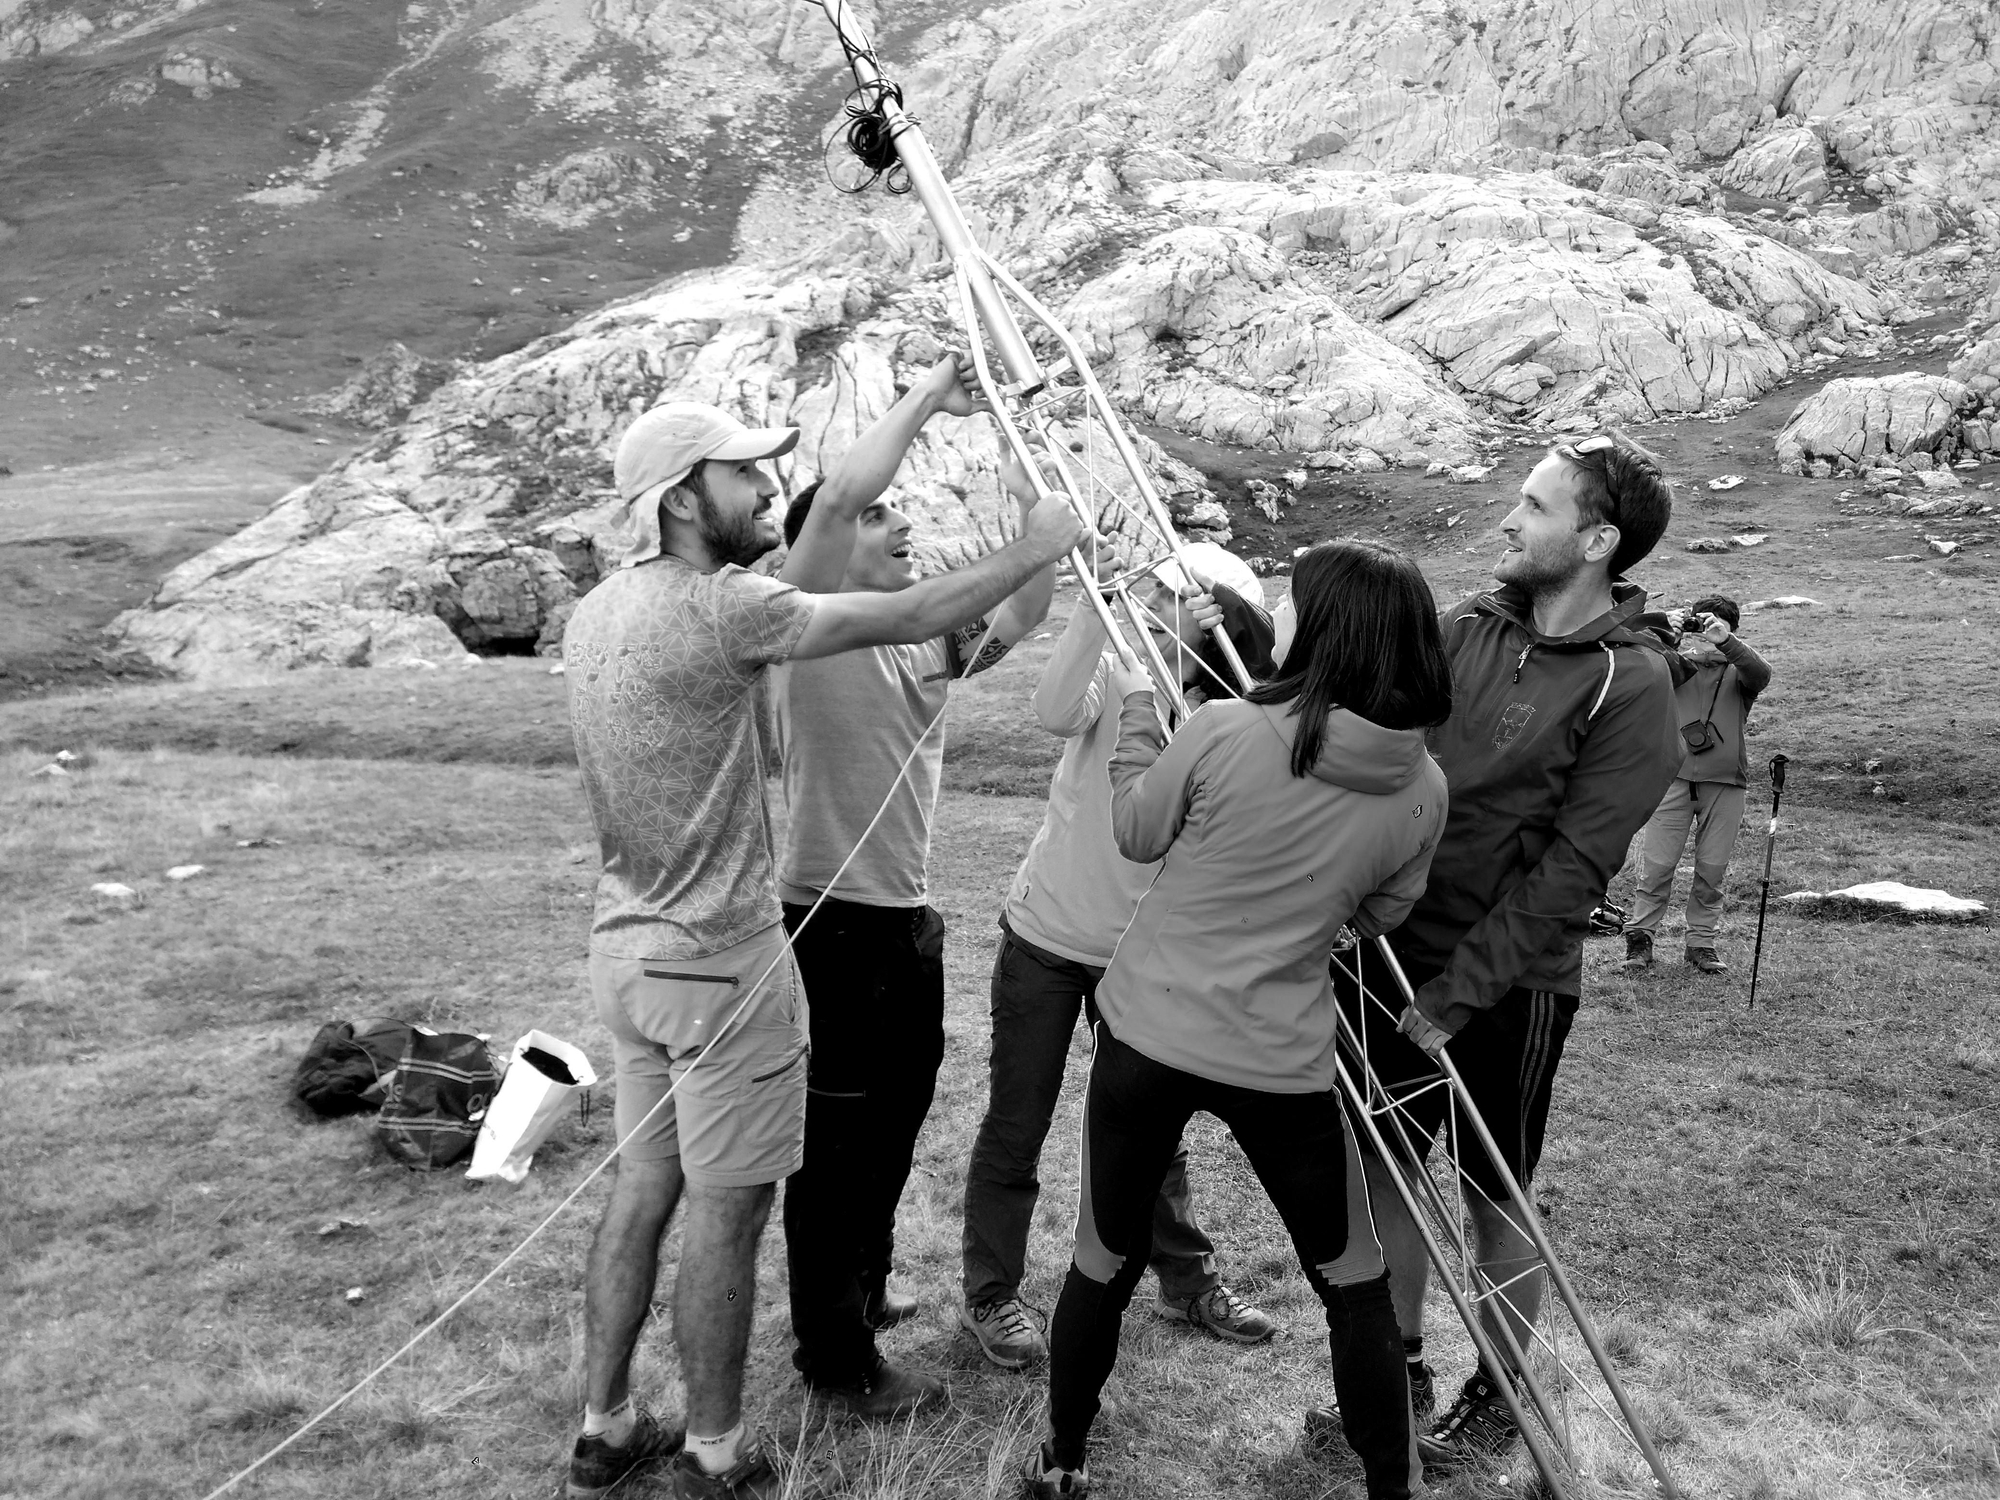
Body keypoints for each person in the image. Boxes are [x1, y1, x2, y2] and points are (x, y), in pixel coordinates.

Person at [561, 396, 1088, 1500]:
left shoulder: (601, 609)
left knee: (656, 1183)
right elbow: (847, 508)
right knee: (738, 1203)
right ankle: (729, 1439)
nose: (761, 489)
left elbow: (976, 611)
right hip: (737, 952)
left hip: (633, 949)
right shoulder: (743, 611)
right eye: (741, 474)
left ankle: (607, 1427)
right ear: (680, 498)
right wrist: (1006, 498)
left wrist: (1018, 517)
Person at [1025, 539, 1453, 1500]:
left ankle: (1064, 1457)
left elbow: (1138, 830)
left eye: (1294, 601)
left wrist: (1139, 707)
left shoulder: (1225, 727)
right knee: (1353, 1279)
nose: (1279, 614)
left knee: (1103, 1255)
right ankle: (1393, 1486)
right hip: (1284, 1058)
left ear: (1328, 630)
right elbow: (1382, 912)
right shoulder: (1424, 788)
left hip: (1149, 1031)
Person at [1313, 432, 1683, 1471]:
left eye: (1535, 506)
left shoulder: (1629, 682)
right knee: (1383, 1173)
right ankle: (1397, 1374)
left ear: (1597, 541)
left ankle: (1500, 1395)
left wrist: (1458, 993)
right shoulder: (1465, 626)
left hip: (1507, 988)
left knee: (1493, 1193)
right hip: (1384, 954)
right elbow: (1378, 740)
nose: (1509, 521)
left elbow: (1575, 869)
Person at [770, 355, 1060, 1415]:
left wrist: (1031, 503)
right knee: (838, 1147)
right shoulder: (798, 620)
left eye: (901, 513)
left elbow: (1020, 614)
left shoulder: (914, 642)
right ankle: (835, 1358)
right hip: (833, 923)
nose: (899, 524)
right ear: (822, 546)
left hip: (904, 922)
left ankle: (865, 1287)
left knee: (894, 1120)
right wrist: (933, 394)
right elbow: (838, 495)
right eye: (879, 516)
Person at [959, 543, 1283, 1371]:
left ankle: (1187, 1281)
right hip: (1046, 938)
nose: (1158, 609)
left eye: (1181, 599)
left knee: (1151, 1128)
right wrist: (1094, 609)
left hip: (1142, 956)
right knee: (1018, 1123)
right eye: (1157, 595)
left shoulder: (1232, 714)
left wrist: (1225, 655)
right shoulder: (1114, 674)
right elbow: (1052, 708)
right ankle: (992, 1293)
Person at [1622, 593, 1773, 974]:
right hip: (1671, 779)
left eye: (1717, 626)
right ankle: (1640, 940)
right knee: (1657, 867)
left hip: (1725, 783)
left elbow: (1762, 674)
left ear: (1732, 631)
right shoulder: (1674, 664)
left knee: (1712, 869)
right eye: (1702, 624)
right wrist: (1665, 632)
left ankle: (1701, 944)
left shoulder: (1741, 672)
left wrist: (1726, 642)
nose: (1708, 633)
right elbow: (1633, 662)